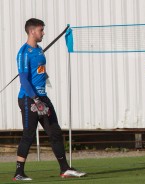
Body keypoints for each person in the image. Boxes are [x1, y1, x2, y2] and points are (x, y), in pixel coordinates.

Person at [13, 18, 86, 180]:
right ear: (32, 31)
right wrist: (35, 100)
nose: (43, 33)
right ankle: (19, 173)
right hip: (28, 98)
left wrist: (44, 77)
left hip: (42, 97)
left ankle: (65, 169)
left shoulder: (39, 49)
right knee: (29, 135)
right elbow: (24, 80)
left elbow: (38, 70)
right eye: (41, 30)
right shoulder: (23, 52)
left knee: (55, 132)